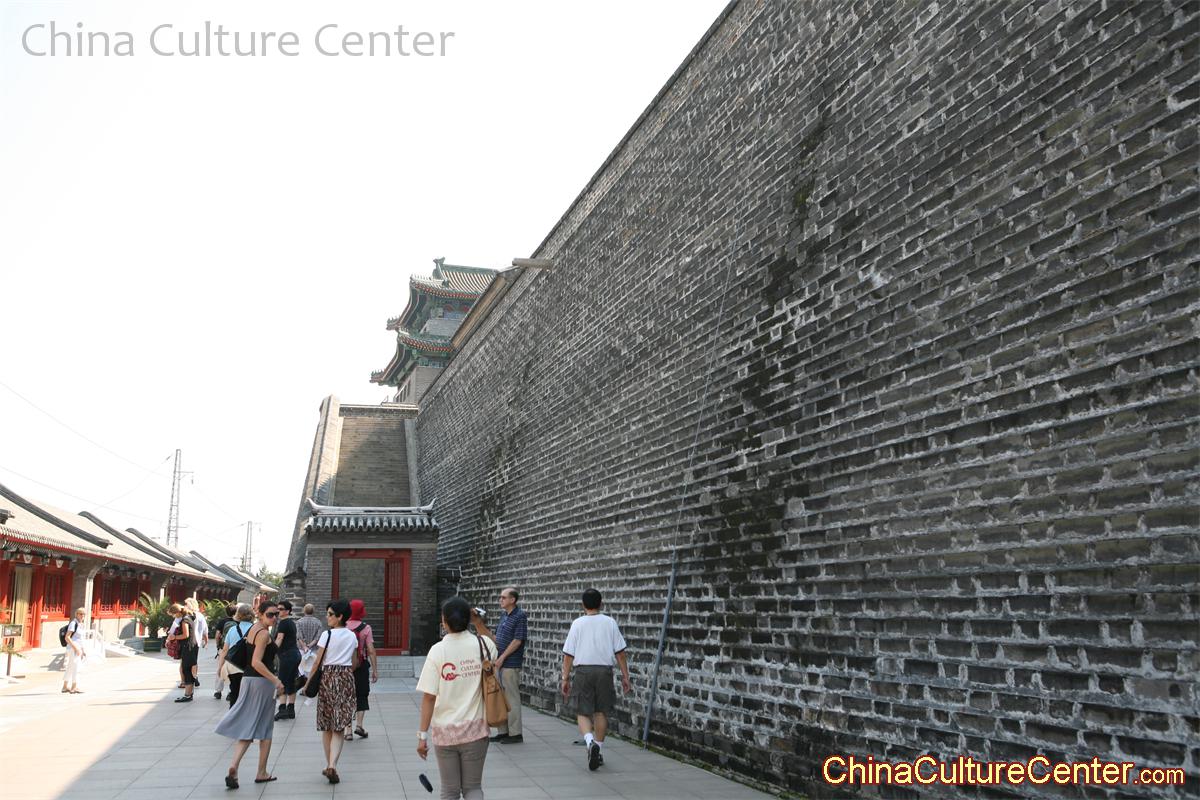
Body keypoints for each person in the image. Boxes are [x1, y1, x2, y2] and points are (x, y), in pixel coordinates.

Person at [416, 596, 494, 800]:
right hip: (476, 730)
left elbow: (429, 697)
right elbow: (495, 647)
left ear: (444, 621)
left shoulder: (437, 651)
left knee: (450, 791)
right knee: (473, 788)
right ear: (469, 618)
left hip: (445, 732)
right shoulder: (483, 644)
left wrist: (422, 736)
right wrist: (479, 624)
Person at [561, 588, 632, 772]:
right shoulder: (610, 622)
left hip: (583, 671)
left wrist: (565, 678)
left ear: (583, 605)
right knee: (601, 712)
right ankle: (598, 749)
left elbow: (568, 655)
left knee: (583, 712)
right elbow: (620, 653)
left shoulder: (577, 623)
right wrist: (625, 676)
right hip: (604, 672)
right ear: (601, 603)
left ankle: (589, 741)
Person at [214, 600, 283, 789]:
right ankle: (262, 772)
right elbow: (256, 662)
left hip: (248, 680)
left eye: (276, 614)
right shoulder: (263, 634)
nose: (274, 617)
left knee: (248, 726)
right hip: (261, 682)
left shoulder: (253, 629)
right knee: (265, 729)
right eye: (270, 614)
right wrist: (275, 680)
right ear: (259, 614)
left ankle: (234, 766)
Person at [310, 599, 358, 784]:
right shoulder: (352, 636)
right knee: (339, 725)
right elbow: (355, 662)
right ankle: (332, 765)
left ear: (340, 616)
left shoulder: (327, 635)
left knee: (327, 724)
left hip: (328, 678)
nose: (327, 617)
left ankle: (328, 764)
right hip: (345, 678)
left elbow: (317, 661)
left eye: (330, 614)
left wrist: (307, 683)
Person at [473, 587, 527, 743]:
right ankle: (503, 731)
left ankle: (515, 733)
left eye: (503, 597)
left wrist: (503, 657)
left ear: (512, 600)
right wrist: (478, 623)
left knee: (511, 698)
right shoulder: (504, 616)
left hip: (510, 663)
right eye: (500, 597)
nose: (500, 600)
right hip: (498, 662)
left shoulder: (520, 616)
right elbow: (495, 638)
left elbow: (517, 640)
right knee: (500, 697)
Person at [345, 599, 379, 740]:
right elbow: (371, 650)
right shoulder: (366, 628)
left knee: (346, 696)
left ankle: (347, 730)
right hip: (361, 665)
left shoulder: (342, 627)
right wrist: (375, 670)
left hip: (345, 666)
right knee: (362, 694)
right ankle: (359, 725)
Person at [273, 600, 301, 721]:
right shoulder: (291, 622)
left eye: (281, 609)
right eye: (277, 609)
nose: (278, 611)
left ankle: (282, 709)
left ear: (288, 611)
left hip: (287, 656)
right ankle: (291, 709)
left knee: (282, 682)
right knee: (291, 682)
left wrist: (272, 651)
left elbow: (279, 638)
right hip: (294, 655)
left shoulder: (283, 623)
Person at [222, 604, 254, 707]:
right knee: (249, 694)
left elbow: (225, 650)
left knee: (234, 692)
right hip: (250, 665)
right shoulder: (256, 629)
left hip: (234, 665)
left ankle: (233, 713)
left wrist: (220, 666)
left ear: (238, 615)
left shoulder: (232, 629)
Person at [173, 605, 199, 702]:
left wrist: (174, 637)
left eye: (173, 614)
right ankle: (189, 693)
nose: (174, 616)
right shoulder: (189, 618)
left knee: (186, 670)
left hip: (188, 647)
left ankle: (188, 695)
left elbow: (185, 635)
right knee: (188, 669)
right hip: (192, 646)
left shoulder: (185, 620)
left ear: (177, 612)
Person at [214, 603, 237, 700]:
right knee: (232, 670)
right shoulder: (238, 622)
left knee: (221, 667)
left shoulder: (222, 622)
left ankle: (218, 691)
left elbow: (217, 635)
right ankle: (230, 692)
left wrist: (218, 645)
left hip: (223, 647)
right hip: (234, 649)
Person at [184, 597, 208, 689]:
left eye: (186, 604)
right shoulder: (200, 616)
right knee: (194, 660)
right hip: (197, 641)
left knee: (186, 662)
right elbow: (205, 630)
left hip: (188, 641)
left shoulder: (187, 615)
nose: (185, 606)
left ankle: (189, 679)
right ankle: (194, 676)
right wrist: (206, 640)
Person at [62, 607, 86, 694]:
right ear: (76, 614)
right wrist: (76, 648)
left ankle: (65, 686)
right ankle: (74, 687)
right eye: (80, 614)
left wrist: (83, 650)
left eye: (84, 614)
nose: (82, 616)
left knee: (70, 667)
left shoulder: (81, 624)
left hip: (77, 648)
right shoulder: (73, 623)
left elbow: (80, 639)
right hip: (73, 648)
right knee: (76, 667)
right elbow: (67, 637)